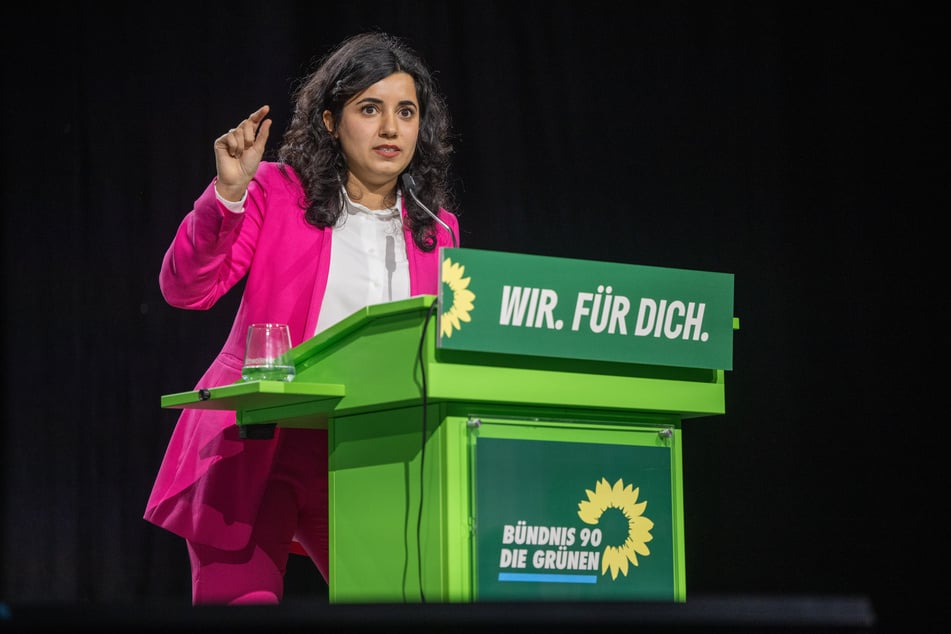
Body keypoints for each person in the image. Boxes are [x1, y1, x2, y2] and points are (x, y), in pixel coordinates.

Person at [144, 31, 460, 605]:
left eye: (406, 112)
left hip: (362, 455)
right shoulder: (275, 193)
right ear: (332, 121)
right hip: (255, 445)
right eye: (370, 109)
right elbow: (185, 288)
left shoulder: (436, 232)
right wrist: (227, 196)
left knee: (404, 602)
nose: (391, 129)